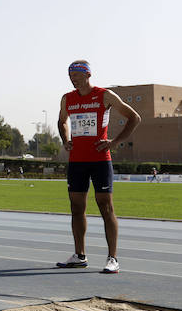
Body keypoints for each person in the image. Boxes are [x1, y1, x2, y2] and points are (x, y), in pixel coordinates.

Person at [56, 60, 140, 274]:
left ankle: (113, 258)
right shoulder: (67, 98)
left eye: (76, 74)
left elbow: (134, 118)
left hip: (100, 160)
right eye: (70, 75)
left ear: (88, 75)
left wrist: (114, 142)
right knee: (76, 208)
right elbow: (61, 121)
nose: (73, 78)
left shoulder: (105, 95)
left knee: (106, 207)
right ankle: (79, 255)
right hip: (77, 161)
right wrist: (66, 140)